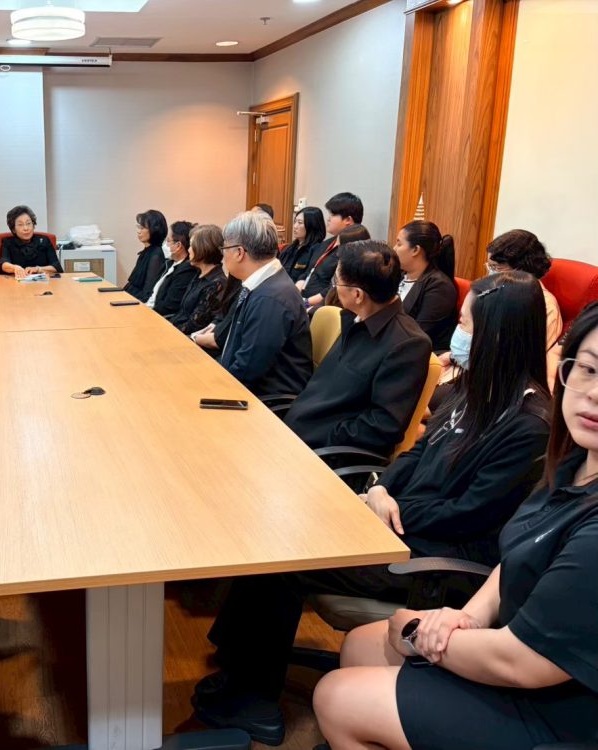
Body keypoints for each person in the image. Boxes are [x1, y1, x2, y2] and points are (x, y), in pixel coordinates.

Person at [195, 270, 552, 745]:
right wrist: (381, 489)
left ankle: (255, 701)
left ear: (499, 336)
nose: (457, 334)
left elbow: (470, 513)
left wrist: (390, 509)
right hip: (398, 522)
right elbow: (415, 454)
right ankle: (239, 660)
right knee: (277, 531)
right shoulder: (472, 390)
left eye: (466, 324)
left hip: (437, 556)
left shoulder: (528, 425)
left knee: (288, 560)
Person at [313, 302, 598, 750]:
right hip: (512, 643)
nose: (594, 393)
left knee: (336, 696)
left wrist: (418, 634)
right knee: (359, 647)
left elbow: (525, 663)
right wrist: (468, 617)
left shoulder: (534, 433)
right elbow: (517, 557)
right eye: (588, 370)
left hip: (557, 705)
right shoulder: (572, 464)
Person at [284, 241, 432, 456]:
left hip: (324, 452)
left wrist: (322, 438)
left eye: (337, 281)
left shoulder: (408, 344)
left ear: (357, 295)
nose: (334, 287)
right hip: (295, 433)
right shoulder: (356, 318)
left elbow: (381, 427)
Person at [217, 211, 312, 399]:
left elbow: (248, 369)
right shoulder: (264, 284)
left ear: (239, 252)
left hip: (265, 400)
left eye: (224, 248)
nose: (223, 256)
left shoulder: (270, 298)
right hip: (248, 388)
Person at [484, 229, 563, 373]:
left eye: (496, 268)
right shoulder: (495, 290)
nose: (491, 273)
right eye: (489, 266)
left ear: (522, 269)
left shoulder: (545, 306)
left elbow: (526, 359)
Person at [393, 220, 457, 351]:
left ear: (415, 250)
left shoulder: (439, 287)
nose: (394, 249)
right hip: (394, 344)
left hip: (419, 353)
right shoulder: (400, 275)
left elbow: (418, 334)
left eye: (399, 244)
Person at [301, 192, 364, 307]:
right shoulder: (326, 243)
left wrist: (306, 303)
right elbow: (309, 270)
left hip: (323, 306)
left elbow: (334, 287)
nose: (328, 218)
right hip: (303, 298)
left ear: (348, 220)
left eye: (333, 214)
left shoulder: (354, 250)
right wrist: (297, 288)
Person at [174, 224, 226, 335]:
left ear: (203, 249)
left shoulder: (217, 284)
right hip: (177, 330)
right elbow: (182, 313)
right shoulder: (198, 274)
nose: (188, 250)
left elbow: (194, 325)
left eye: (191, 246)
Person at [147, 220, 199, 317]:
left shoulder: (186, 271)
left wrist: (145, 312)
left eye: (168, 241)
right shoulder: (169, 263)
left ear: (178, 246)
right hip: (147, 309)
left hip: (156, 316)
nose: (164, 245)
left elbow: (168, 307)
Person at [0, 205, 62, 277]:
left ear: (33, 225)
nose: (26, 228)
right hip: (16, 283)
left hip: (42, 283)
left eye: (28, 223)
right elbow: (4, 265)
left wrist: (38, 269)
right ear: (13, 229)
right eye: (20, 225)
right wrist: (15, 268)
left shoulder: (44, 241)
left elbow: (56, 267)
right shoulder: (8, 242)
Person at [190, 274, 243, 360]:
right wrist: (213, 324)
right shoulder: (236, 283)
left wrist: (193, 337)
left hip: (220, 355)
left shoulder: (220, 282)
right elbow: (220, 316)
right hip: (209, 338)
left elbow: (217, 340)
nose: (222, 264)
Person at [123, 209, 167, 302]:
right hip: (130, 296)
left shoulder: (156, 255)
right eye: (139, 227)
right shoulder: (146, 251)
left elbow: (147, 292)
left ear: (154, 230)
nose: (139, 231)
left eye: (142, 228)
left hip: (137, 303)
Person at [279, 206, 327, 284]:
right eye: (295, 221)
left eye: (300, 223)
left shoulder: (317, 251)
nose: (295, 226)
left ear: (312, 225)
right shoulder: (289, 248)